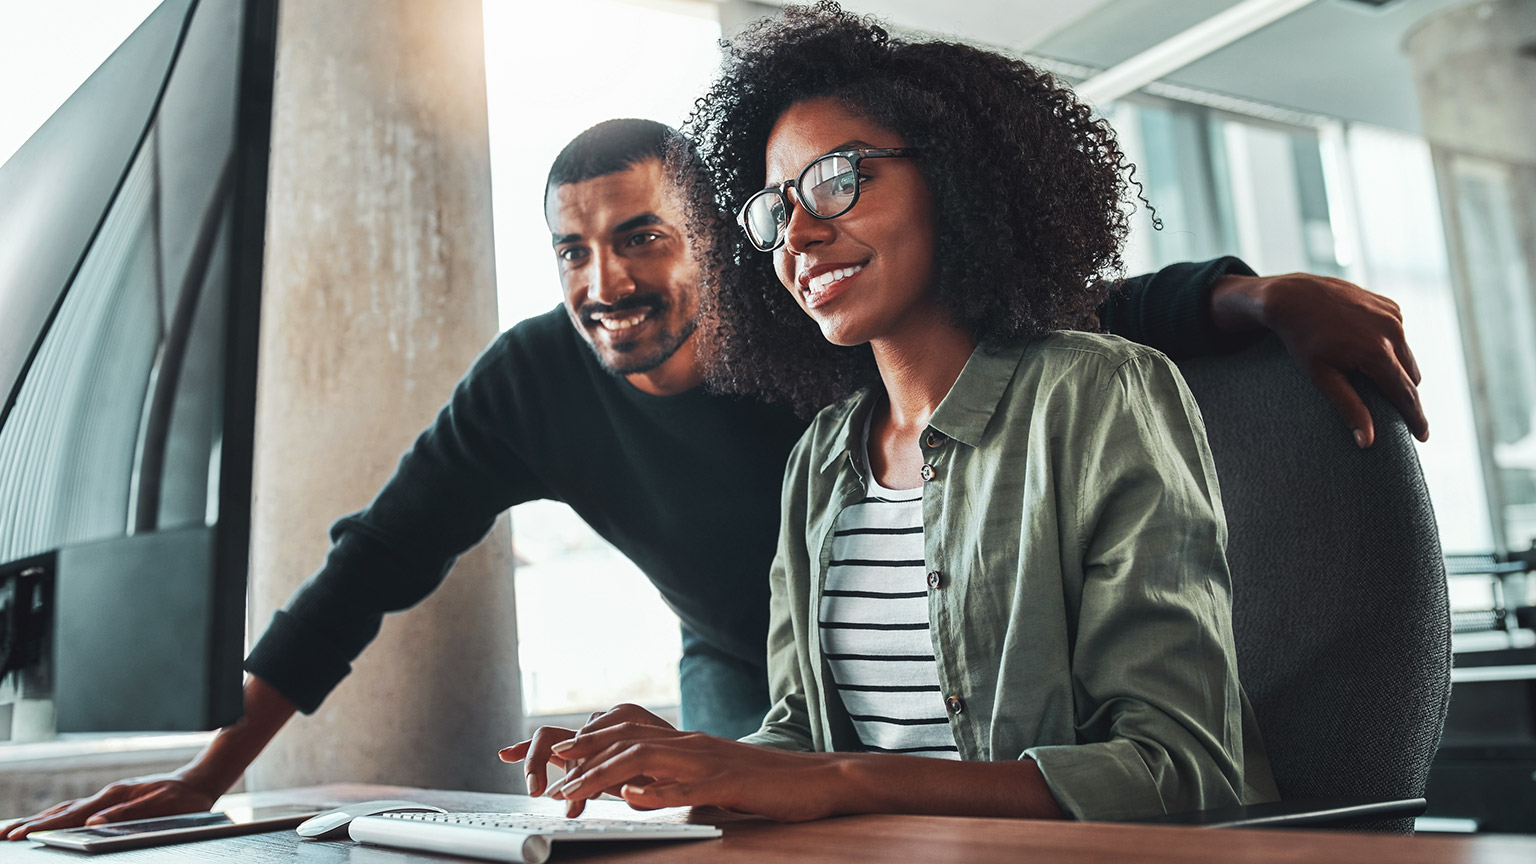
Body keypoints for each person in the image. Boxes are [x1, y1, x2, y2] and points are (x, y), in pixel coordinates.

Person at [5, 95, 1423, 841]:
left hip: (975, 665)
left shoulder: (813, 328)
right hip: (763, 675)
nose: (603, 281)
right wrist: (216, 769)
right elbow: (374, 558)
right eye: (571, 247)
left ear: (717, 241)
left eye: (641, 237)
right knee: (708, 816)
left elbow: (1060, 316)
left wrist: (1255, 296)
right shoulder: (534, 382)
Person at [503, 2, 1281, 822]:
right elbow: (803, 739)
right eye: (775, 210)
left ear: (952, 177)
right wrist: (680, 763)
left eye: (838, 180)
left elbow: (1182, 772)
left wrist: (849, 780)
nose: (797, 234)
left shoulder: (1097, 394)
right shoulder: (820, 458)